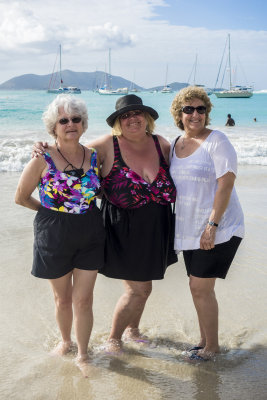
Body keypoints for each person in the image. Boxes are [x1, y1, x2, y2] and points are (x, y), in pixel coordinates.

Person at [33, 94, 177, 353]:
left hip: (157, 230)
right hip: (120, 229)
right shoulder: (105, 146)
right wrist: (42, 147)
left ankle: (133, 329)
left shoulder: (162, 145)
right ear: (118, 122)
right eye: (125, 115)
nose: (133, 119)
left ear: (147, 118)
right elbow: (71, 155)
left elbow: (185, 173)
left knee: (146, 288)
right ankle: (114, 337)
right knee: (138, 290)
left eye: (138, 113)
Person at [15, 95, 105, 377]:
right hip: (54, 233)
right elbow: (20, 197)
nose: (70, 124)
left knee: (84, 300)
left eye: (75, 119)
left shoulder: (94, 156)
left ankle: (83, 354)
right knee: (62, 299)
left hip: (90, 229)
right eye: (63, 120)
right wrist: (52, 212)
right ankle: (66, 341)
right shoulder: (42, 159)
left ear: (83, 124)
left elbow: (99, 189)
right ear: (53, 127)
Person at [169, 86, 244, 361]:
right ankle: (204, 341)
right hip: (189, 229)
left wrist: (212, 225)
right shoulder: (176, 144)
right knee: (195, 286)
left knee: (201, 288)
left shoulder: (217, 140)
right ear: (179, 113)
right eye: (189, 109)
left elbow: (226, 183)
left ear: (207, 112)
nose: (195, 114)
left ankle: (211, 348)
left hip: (218, 228)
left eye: (201, 109)